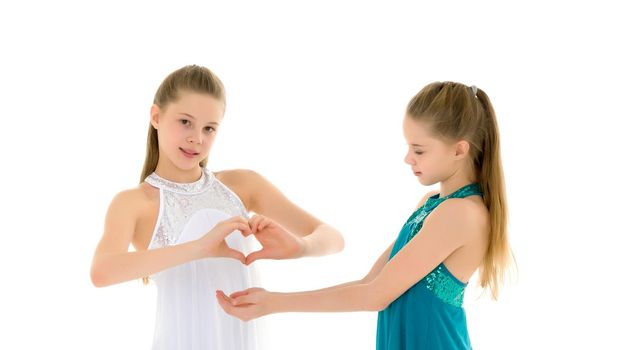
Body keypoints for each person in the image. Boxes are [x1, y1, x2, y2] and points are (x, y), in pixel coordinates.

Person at [217, 81, 512, 349]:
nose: (408, 158)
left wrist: (276, 303)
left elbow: (375, 297)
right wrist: (272, 299)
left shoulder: (461, 213)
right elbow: (371, 282)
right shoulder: (432, 204)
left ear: (460, 150)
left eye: (419, 150)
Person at [90, 65, 345, 349]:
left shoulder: (243, 185)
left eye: (209, 128)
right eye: (185, 122)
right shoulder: (135, 203)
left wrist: (301, 247)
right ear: (156, 117)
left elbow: (333, 238)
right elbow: (102, 271)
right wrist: (199, 247)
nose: (197, 138)